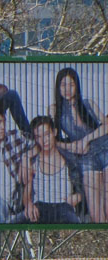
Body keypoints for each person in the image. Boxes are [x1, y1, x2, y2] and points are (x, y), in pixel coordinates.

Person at [49, 67, 108, 222]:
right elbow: (53, 140)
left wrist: (85, 140)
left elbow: (106, 126)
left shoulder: (88, 103)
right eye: (63, 85)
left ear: (77, 86)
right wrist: (73, 146)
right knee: (96, 214)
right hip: (85, 158)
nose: (67, 89)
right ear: (58, 87)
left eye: (71, 85)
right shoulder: (55, 110)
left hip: (104, 149)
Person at [21, 116, 83, 224]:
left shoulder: (70, 159)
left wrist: (76, 197)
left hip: (63, 207)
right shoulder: (33, 161)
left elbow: (83, 190)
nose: (44, 140)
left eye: (47, 134)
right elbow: (26, 187)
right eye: (39, 136)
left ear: (54, 132)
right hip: (40, 207)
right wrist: (28, 204)